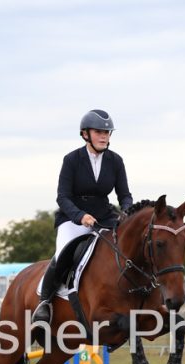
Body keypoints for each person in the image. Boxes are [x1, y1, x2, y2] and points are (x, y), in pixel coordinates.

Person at [32, 109, 133, 324]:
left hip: (104, 216)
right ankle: (45, 302)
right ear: (85, 134)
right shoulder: (72, 160)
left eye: (107, 132)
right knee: (63, 254)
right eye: (99, 132)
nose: (104, 136)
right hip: (73, 218)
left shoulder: (116, 161)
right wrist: (80, 216)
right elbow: (62, 197)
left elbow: (124, 195)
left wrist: (126, 212)